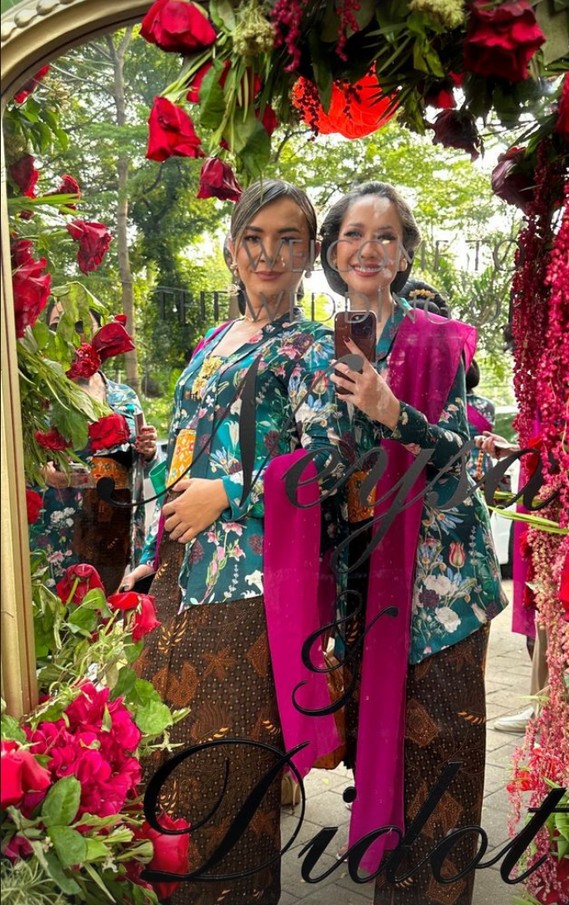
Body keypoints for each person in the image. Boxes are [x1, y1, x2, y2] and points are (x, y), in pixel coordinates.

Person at [122, 180, 345, 905]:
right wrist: (160, 545)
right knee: (170, 778)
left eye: (289, 238)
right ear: (232, 247)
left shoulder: (315, 347)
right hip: (179, 584)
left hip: (246, 593)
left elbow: (335, 461)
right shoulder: (212, 341)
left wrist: (233, 489)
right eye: (255, 236)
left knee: (228, 790)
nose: (269, 253)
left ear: (310, 253)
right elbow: (184, 447)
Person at [321, 182, 507, 905]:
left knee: (447, 761)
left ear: (402, 255)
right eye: (353, 234)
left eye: (386, 235)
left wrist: (392, 410)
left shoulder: (438, 341)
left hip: (443, 592)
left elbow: (461, 450)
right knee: (386, 764)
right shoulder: (317, 346)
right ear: (332, 252)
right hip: (365, 590)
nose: (369, 247)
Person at [29, 305, 158, 595]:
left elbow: (144, 464)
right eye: (56, 325)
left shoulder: (124, 396)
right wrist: (42, 474)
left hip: (112, 540)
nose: (68, 335)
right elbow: (18, 462)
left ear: (99, 335)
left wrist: (148, 451)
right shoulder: (37, 397)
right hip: (54, 540)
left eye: (78, 326)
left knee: (104, 622)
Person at [475, 432, 548, 733]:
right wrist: (512, 451)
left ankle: (547, 711)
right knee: (540, 614)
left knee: (550, 614)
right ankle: (541, 707)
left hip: (548, 502)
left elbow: (561, 451)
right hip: (534, 501)